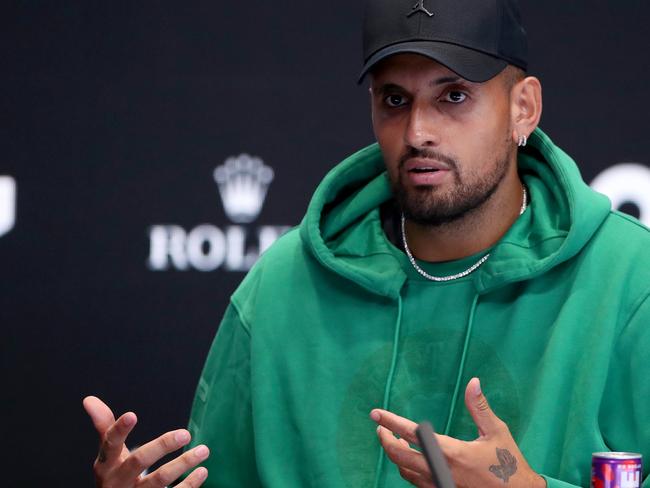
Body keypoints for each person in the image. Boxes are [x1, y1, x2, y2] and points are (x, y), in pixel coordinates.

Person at [84, 0, 650, 487]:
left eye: (453, 97)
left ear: (522, 107)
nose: (418, 132)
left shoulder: (631, 282)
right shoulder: (282, 286)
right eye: (395, 100)